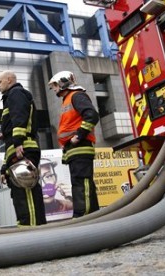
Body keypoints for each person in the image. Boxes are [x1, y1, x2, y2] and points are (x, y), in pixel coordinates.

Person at [0, 70, 47, 226]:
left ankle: (32, 229)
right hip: (18, 149)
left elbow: (20, 118)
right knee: (20, 191)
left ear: (9, 80)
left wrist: (18, 142)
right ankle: (27, 225)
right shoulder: (11, 96)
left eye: (0, 82)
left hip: (24, 148)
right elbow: (15, 125)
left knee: (26, 190)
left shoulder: (16, 93)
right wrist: (5, 167)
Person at [48, 71, 100, 218]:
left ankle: (84, 216)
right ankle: (92, 215)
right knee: (82, 183)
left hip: (80, 146)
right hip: (74, 149)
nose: (54, 89)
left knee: (81, 183)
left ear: (63, 82)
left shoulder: (76, 96)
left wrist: (79, 135)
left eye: (55, 85)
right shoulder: (67, 100)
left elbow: (92, 115)